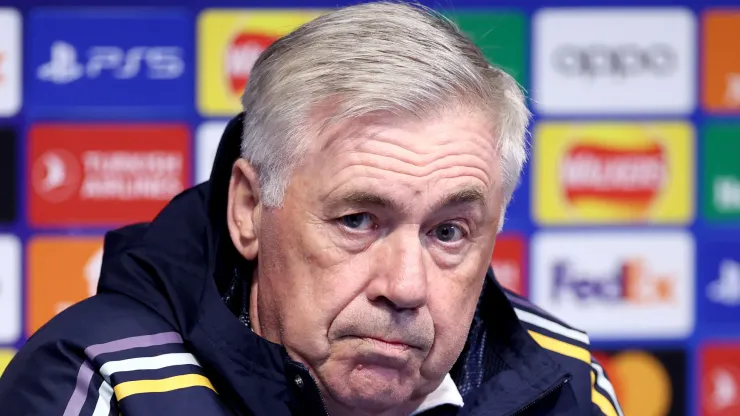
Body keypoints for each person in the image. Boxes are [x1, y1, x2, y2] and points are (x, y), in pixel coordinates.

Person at [0, 2, 623, 415]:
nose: (405, 287)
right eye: (358, 220)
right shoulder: (108, 384)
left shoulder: (565, 379)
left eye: (449, 231)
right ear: (249, 209)